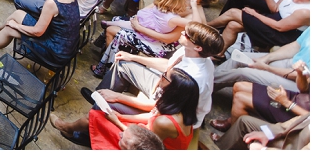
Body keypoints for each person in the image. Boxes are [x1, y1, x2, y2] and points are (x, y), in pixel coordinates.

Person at [91, 21, 224, 128]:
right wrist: (132, 57)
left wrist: (117, 97)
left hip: (170, 112)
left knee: (106, 107)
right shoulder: (190, 51)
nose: (182, 32)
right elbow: (168, 65)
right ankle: (98, 96)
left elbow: (159, 106)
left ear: (198, 47)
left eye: (187, 34)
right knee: (122, 65)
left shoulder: (192, 77)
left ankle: (87, 132)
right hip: (161, 87)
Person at [52, 68, 199, 149]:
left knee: (96, 116)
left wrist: (117, 121)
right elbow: (151, 117)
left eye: (164, 78)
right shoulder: (180, 107)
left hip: (144, 143)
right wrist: (122, 116)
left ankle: (67, 128)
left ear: (173, 89)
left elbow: (142, 143)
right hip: (145, 133)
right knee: (108, 110)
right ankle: (78, 131)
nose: (160, 78)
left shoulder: (165, 123)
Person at [92, 0, 195, 78]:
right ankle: (106, 57)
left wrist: (138, 24)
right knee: (115, 22)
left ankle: (107, 65)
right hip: (147, 33)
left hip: (152, 39)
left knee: (114, 30)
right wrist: (193, 8)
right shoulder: (173, 17)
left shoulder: (159, 7)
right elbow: (192, 22)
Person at [211, 0, 310, 54]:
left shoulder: (306, 11)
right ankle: (218, 53)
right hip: (272, 19)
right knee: (233, 25)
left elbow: (279, 26)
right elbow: (275, 9)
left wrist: (254, 14)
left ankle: (204, 27)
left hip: (280, 34)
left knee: (234, 13)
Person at [210, 61, 309, 142]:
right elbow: (304, 89)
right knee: (239, 85)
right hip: (295, 98)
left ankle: (231, 139)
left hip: (297, 116)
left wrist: (286, 102)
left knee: (240, 98)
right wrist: (300, 74)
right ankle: (233, 123)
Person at [213, 28, 310, 93]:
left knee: (242, 72)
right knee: (239, 57)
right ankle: (208, 81)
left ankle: (202, 87)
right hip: (291, 62)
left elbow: (300, 76)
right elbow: (296, 46)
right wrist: (266, 58)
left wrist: (266, 67)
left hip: (299, 82)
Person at [215, 111, 310, 151]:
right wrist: (268, 134)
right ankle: (219, 147)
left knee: (253, 143)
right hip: (289, 136)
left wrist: (263, 149)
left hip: (293, 148)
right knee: (245, 121)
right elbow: (298, 120)